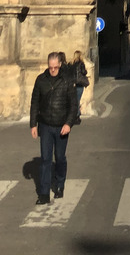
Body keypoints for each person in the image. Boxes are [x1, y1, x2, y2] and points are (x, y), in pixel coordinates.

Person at [29, 51, 78, 205]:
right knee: (45, 159)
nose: (53, 70)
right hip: (45, 125)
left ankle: (59, 185)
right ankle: (43, 194)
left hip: (62, 126)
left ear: (60, 65)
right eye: (50, 68)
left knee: (60, 157)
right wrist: (33, 124)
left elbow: (73, 105)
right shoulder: (41, 80)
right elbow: (34, 102)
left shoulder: (67, 80)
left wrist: (68, 123)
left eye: (55, 67)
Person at [69, 49, 89, 121]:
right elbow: (84, 72)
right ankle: (76, 115)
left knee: (74, 100)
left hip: (73, 84)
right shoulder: (81, 63)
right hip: (80, 84)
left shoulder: (71, 64)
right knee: (77, 100)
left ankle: (76, 113)